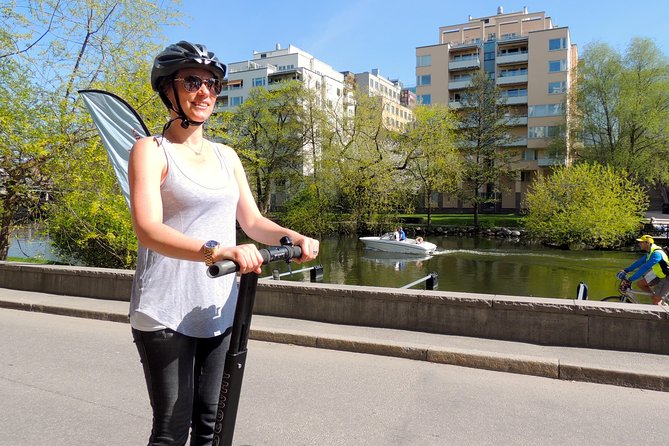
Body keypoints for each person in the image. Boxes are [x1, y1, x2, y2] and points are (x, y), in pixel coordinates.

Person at [128, 41, 319, 445]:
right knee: (172, 429)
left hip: (218, 305)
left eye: (213, 84)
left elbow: (252, 221)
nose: (205, 92)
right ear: (168, 90)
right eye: (193, 81)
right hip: (165, 308)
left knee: (212, 424)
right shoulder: (151, 151)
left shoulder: (226, 156)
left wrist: (292, 237)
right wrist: (216, 251)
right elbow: (147, 228)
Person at [617, 235, 668, 305]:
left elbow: (645, 267)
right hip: (658, 274)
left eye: (641, 242)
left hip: (666, 277)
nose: (639, 244)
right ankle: (657, 297)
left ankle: (658, 302)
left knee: (655, 301)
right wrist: (626, 270)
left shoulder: (657, 254)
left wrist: (630, 279)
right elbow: (639, 262)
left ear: (647, 243)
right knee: (641, 284)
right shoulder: (650, 253)